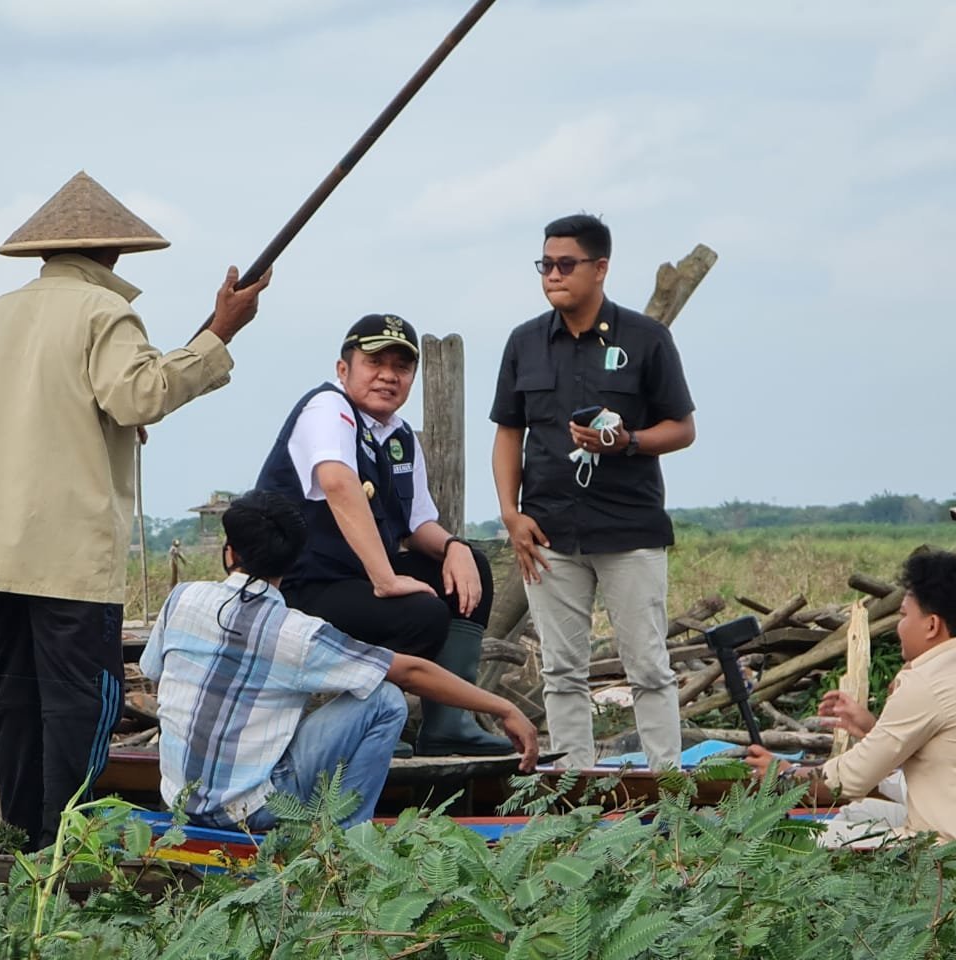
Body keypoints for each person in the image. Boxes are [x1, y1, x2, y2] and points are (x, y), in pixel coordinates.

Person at [0, 170, 271, 850]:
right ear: (115, 253)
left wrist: (91, 417)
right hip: (66, 554)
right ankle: (64, 851)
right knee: (78, 707)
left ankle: (21, 848)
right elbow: (140, 396)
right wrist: (220, 332)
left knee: (13, 704)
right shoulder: (106, 312)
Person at [140, 490, 539, 829]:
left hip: (177, 802)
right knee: (384, 699)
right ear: (294, 561)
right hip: (251, 812)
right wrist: (503, 707)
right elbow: (411, 672)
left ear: (230, 552)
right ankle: (348, 843)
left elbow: (156, 677)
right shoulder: (295, 633)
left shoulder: (182, 599)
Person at [490, 214, 696, 770]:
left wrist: (626, 440)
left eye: (565, 264)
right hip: (549, 530)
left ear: (600, 268)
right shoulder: (524, 342)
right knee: (561, 671)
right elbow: (509, 433)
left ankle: (667, 790)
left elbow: (682, 427)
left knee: (648, 666)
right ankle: (574, 792)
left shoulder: (647, 338)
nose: (552, 275)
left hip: (628, 530)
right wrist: (511, 515)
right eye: (545, 264)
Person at [255, 314, 513, 757]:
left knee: (470, 572)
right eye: (375, 362)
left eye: (402, 366)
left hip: (351, 582)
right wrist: (387, 579)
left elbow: (417, 525)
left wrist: (454, 548)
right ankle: (365, 723)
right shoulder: (327, 408)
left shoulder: (397, 437)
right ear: (344, 369)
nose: (388, 376)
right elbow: (338, 483)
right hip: (297, 587)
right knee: (420, 614)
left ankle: (448, 724)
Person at [745, 550, 956, 843]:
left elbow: (848, 781)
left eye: (904, 615)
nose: (899, 627)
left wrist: (783, 774)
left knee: (802, 841)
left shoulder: (926, 681)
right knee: (859, 812)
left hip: (943, 846)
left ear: (932, 625)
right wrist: (873, 729)